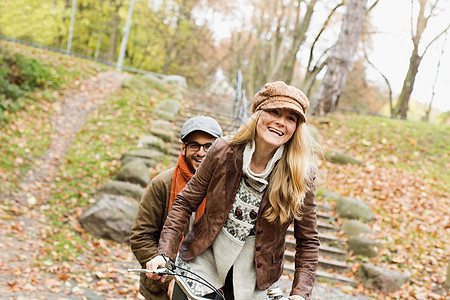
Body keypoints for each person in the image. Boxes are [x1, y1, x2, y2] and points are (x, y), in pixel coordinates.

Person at [147, 81, 320, 300]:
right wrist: (164, 254)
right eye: (274, 111)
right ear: (258, 114)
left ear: (296, 128)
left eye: (290, 118)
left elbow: (308, 242)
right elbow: (184, 203)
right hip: (201, 265)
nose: (280, 122)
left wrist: (300, 293)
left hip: (255, 281)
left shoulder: (302, 175)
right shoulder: (222, 151)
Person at [130, 115, 223, 300]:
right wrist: (171, 279)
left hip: (210, 288)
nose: (201, 152)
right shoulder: (162, 184)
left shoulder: (226, 189)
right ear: (183, 148)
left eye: (209, 146)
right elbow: (141, 236)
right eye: (194, 145)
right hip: (162, 290)